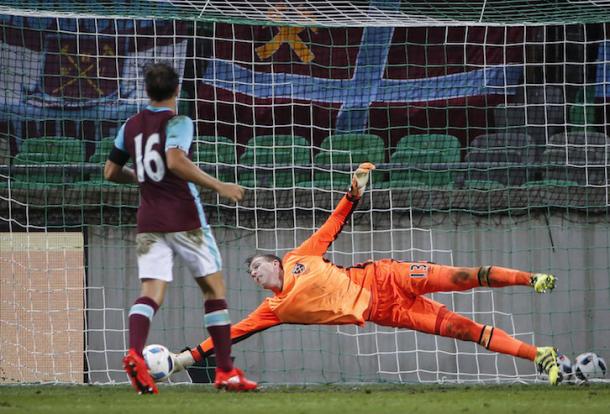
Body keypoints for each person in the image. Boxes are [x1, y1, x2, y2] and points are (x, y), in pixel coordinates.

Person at [171, 162, 561, 385]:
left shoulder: (298, 257)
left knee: (463, 276)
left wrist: (354, 191)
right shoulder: (273, 309)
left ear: (274, 262)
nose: (254, 275)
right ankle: (539, 355)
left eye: (256, 267)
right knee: (464, 331)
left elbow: (333, 223)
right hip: (387, 313)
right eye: (251, 275)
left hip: (386, 277)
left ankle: (532, 278)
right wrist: (187, 358)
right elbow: (232, 331)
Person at [104, 62, 257, 394]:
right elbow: (174, 160)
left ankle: (134, 353)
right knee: (214, 291)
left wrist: (140, 178)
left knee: (151, 293)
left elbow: (110, 171)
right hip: (185, 218)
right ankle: (226, 372)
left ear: (147, 91)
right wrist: (219, 186)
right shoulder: (179, 121)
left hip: (148, 220)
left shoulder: (129, 126)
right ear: (177, 90)